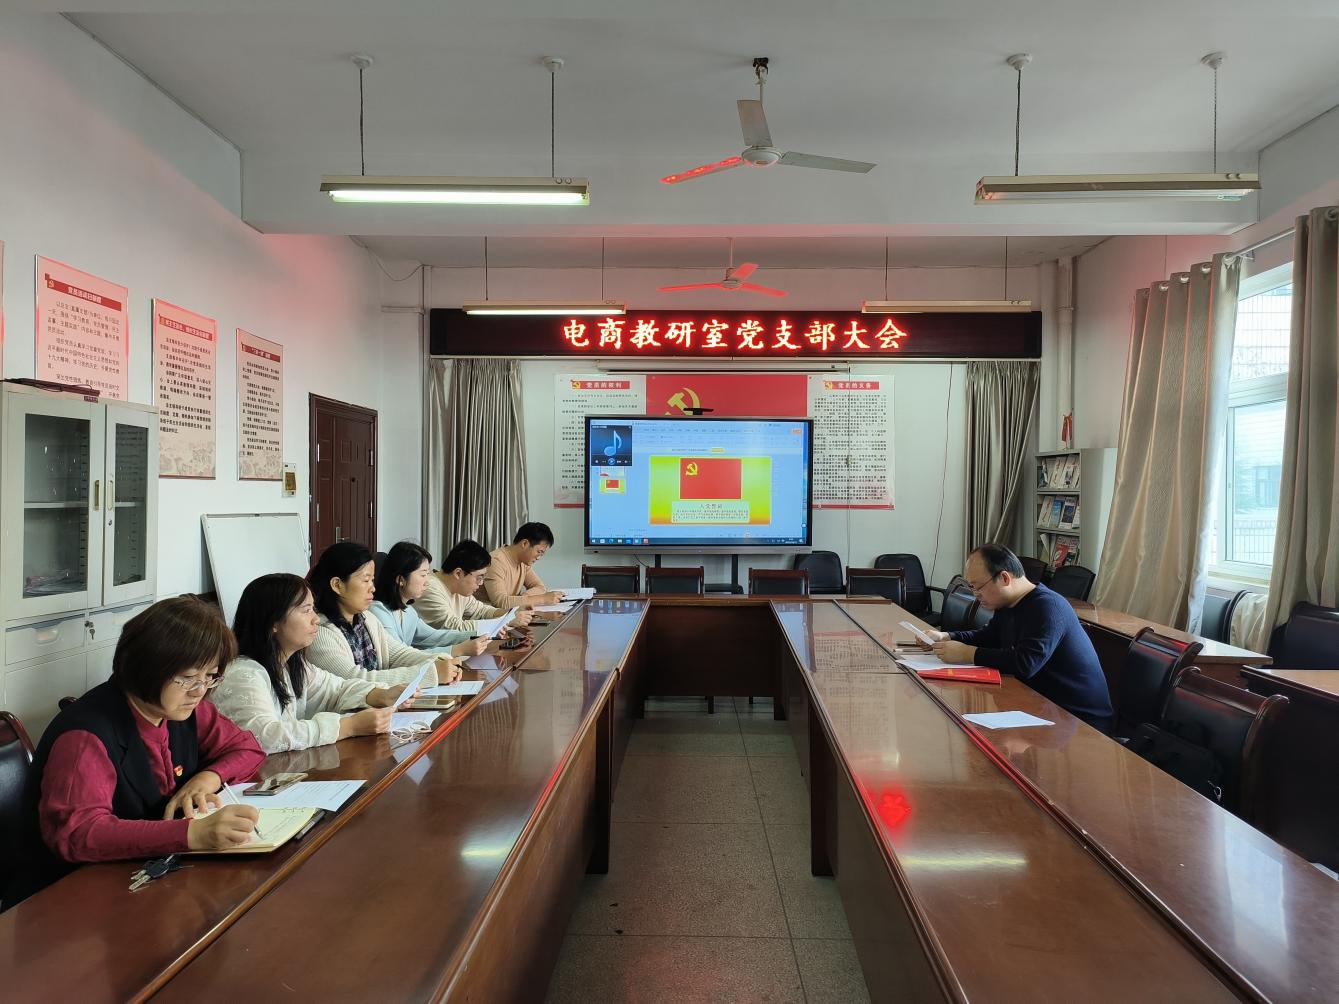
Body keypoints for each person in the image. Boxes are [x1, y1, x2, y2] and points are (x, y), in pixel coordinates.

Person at [4, 598, 265, 909]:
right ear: (148, 666)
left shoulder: (184, 710)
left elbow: (247, 747)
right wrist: (192, 834)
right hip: (67, 900)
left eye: (211, 676)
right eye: (188, 677)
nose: (200, 691)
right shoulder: (86, 736)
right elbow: (78, 833)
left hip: (146, 876)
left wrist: (207, 779)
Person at [213, 573, 415, 755]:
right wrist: (348, 726)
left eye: (313, 609)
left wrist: (380, 695)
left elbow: (335, 689)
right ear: (273, 622)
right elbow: (264, 736)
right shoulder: (243, 673)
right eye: (306, 610)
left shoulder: (290, 663)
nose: (316, 619)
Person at [922, 543, 1114, 732]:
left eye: (977, 587)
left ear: (1005, 578)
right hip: (1042, 707)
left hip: (1079, 720)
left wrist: (968, 654)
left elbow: (1026, 664)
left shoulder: (1048, 607)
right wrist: (946, 636)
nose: (976, 595)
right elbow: (988, 636)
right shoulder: (1008, 604)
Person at [304, 541, 462, 688]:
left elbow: (398, 654)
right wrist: (429, 674)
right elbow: (355, 680)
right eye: (365, 580)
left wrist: (438, 660)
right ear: (337, 585)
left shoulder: (367, 619)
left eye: (372, 580)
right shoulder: (320, 633)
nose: (372, 588)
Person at [368, 541, 502, 658]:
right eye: (423, 575)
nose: (427, 582)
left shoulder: (408, 612)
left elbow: (435, 637)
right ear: (400, 579)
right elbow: (402, 656)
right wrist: (458, 650)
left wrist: (479, 634)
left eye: (427, 574)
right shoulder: (378, 613)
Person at [417, 539, 535, 637]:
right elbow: (456, 628)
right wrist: (506, 621)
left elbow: (481, 610)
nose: (481, 583)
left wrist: (511, 613)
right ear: (458, 573)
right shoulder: (429, 589)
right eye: (479, 577)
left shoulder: (459, 589)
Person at [479, 522, 565, 609]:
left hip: (512, 614)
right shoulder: (495, 561)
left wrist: (523, 599)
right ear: (524, 544)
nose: (538, 558)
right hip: (489, 616)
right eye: (539, 552)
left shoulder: (523, 562)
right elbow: (501, 602)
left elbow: (540, 587)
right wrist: (542, 599)